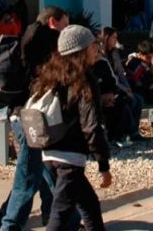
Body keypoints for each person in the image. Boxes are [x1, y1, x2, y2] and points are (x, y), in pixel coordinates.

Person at [32, 25, 113, 230]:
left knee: (89, 205)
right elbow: (91, 126)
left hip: (49, 152)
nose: (97, 50)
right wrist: (103, 164)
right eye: (93, 46)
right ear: (81, 51)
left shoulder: (51, 74)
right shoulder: (85, 80)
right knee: (60, 215)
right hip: (70, 158)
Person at [0, 7, 69, 231]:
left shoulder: (30, 41)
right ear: (53, 22)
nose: (66, 30)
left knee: (44, 170)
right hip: (30, 116)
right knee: (29, 175)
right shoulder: (43, 40)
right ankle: (10, 225)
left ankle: (58, 219)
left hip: (25, 114)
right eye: (65, 25)